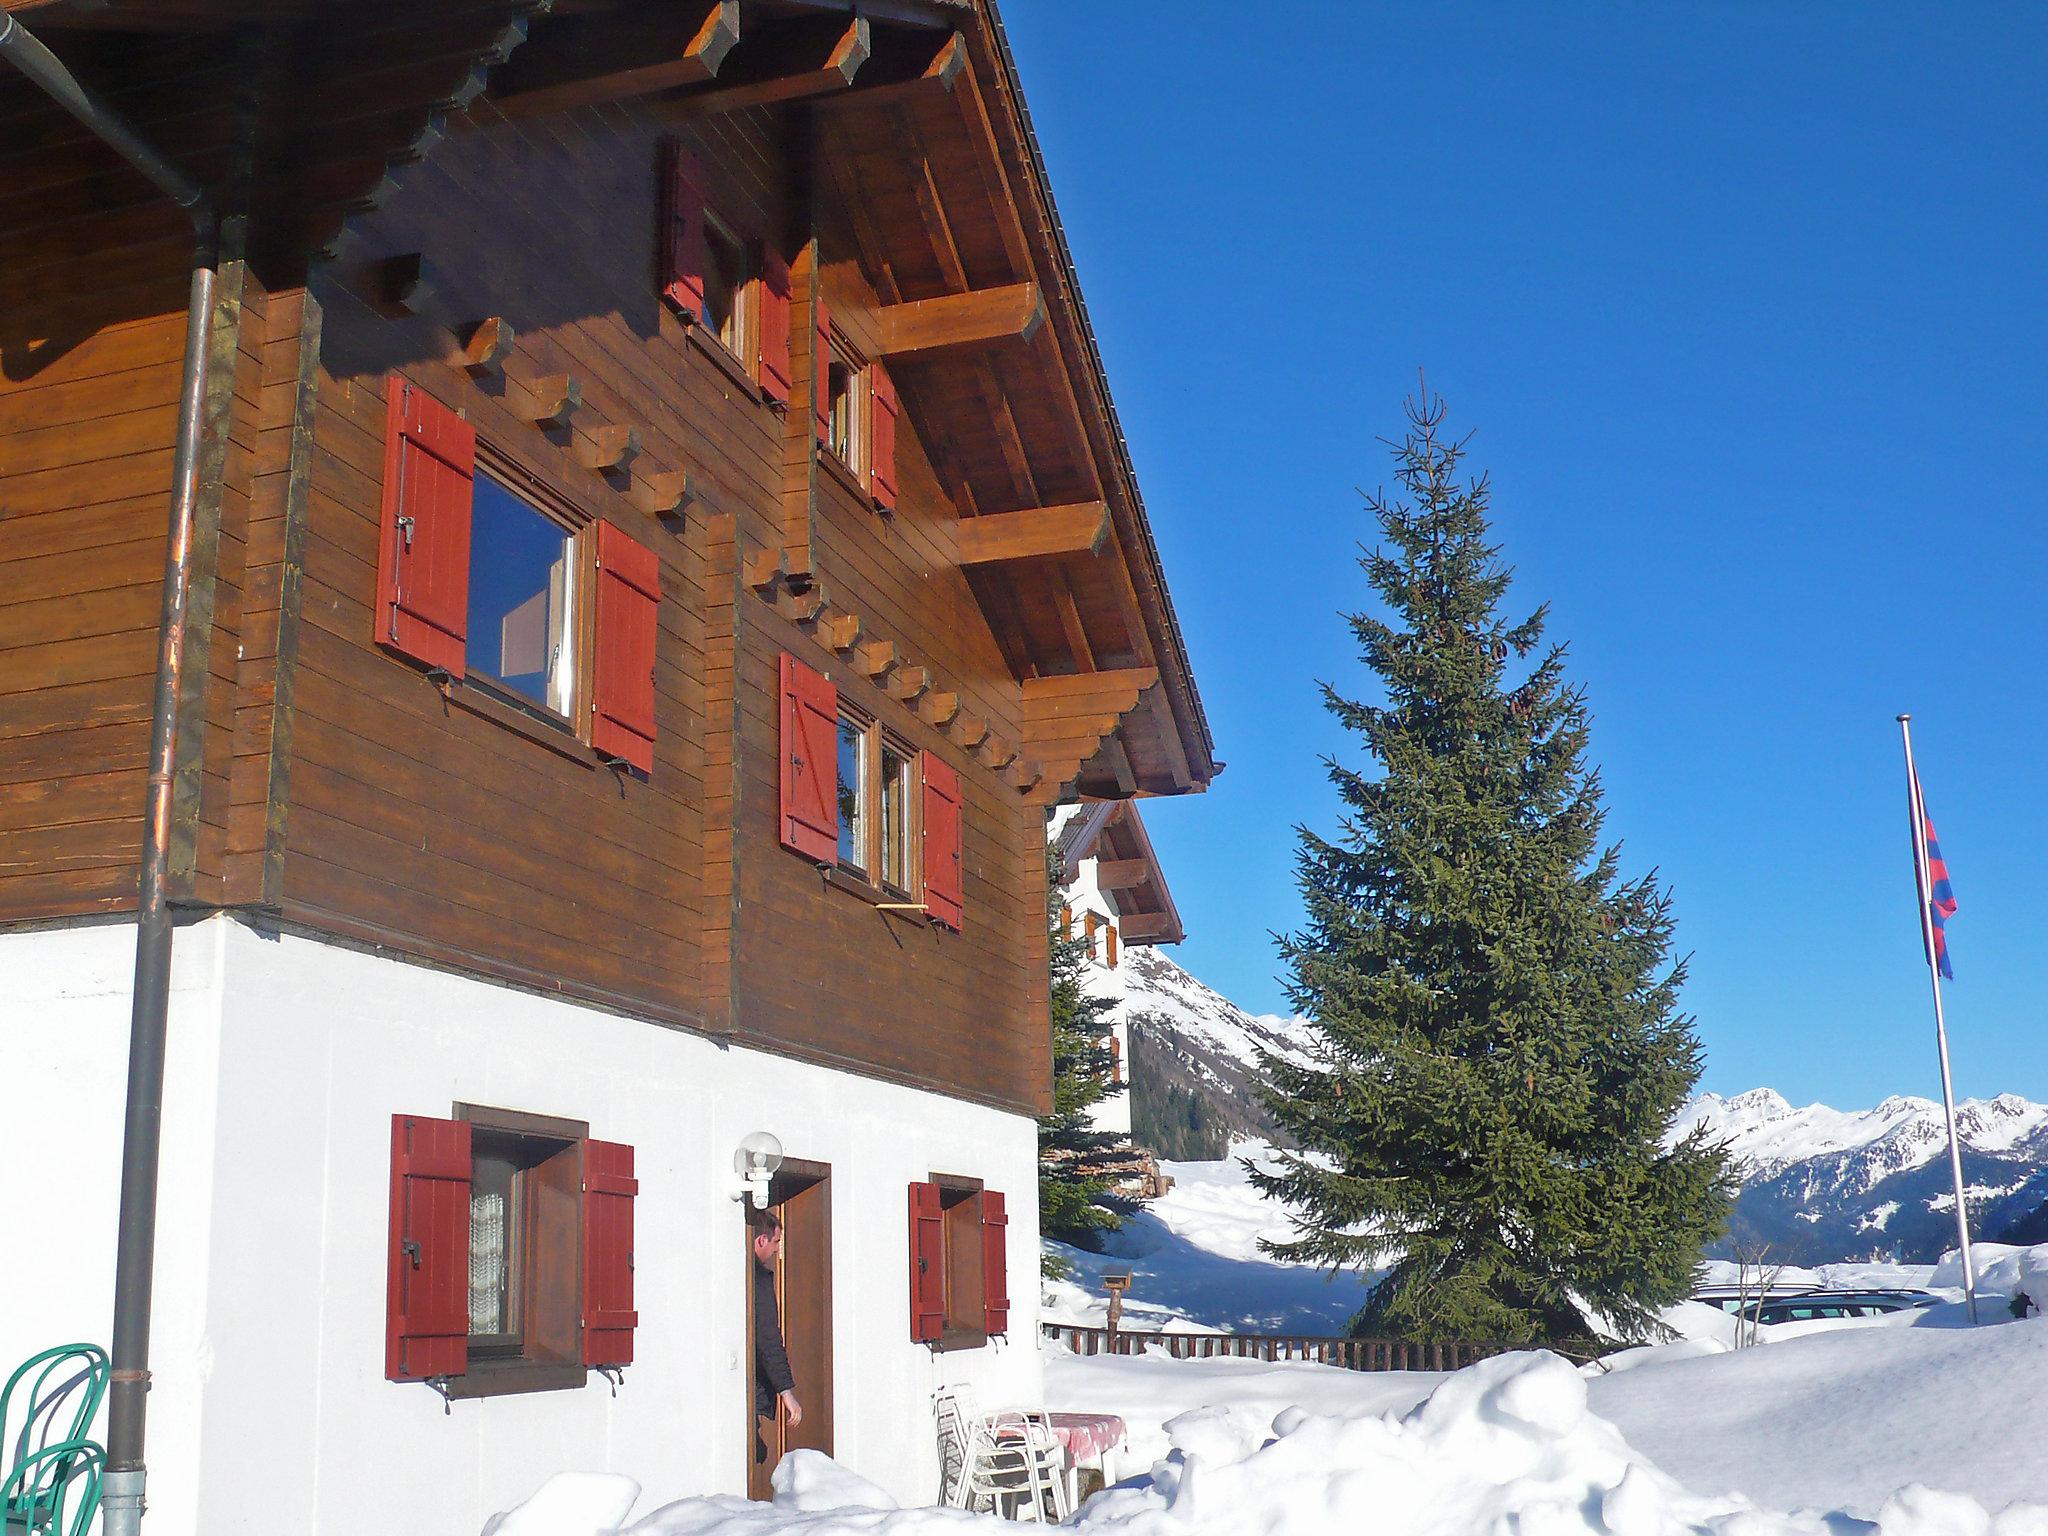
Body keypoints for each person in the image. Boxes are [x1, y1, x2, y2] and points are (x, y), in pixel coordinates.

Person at [750, 1206, 801, 1462]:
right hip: (751, 1387)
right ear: (761, 1240)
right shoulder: (756, 1279)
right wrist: (786, 1392)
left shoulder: (742, 1272)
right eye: (776, 1242)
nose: (777, 1250)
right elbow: (768, 1337)